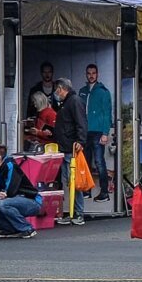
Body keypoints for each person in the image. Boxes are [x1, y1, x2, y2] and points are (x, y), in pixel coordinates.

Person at [50, 78, 89, 224]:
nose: (55, 93)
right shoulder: (67, 102)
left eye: (56, 90)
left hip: (71, 147)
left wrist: (80, 141)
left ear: (60, 88)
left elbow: (81, 122)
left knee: (74, 181)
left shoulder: (74, 101)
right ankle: (72, 212)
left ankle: (78, 213)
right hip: (66, 146)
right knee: (69, 182)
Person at [0, 143, 41, 239]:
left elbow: (11, 187)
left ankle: (27, 229)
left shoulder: (10, 165)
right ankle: (9, 228)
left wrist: (4, 193)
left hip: (31, 201)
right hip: (12, 199)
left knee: (3, 203)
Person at [81, 63, 114, 200]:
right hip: (85, 131)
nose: (91, 76)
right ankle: (87, 190)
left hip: (98, 132)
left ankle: (104, 192)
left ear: (97, 74)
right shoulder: (82, 91)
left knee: (100, 162)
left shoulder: (103, 91)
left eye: (93, 73)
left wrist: (105, 133)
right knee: (86, 162)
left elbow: (107, 113)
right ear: (86, 74)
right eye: (89, 73)